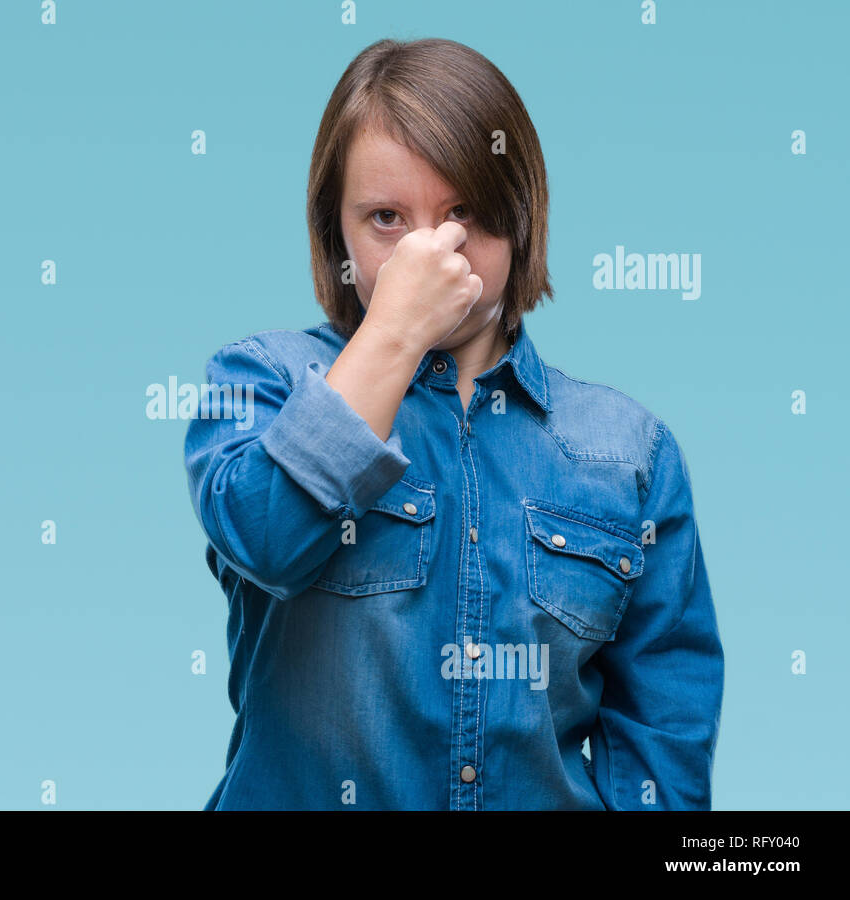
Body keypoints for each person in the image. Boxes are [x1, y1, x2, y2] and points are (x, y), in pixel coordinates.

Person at [183, 37, 724, 810]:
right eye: (385, 219)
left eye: (462, 212)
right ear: (334, 231)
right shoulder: (261, 382)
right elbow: (265, 537)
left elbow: (664, 740)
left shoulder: (630, 452)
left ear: (520, 214)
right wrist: (395, 331)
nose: (428, 252)